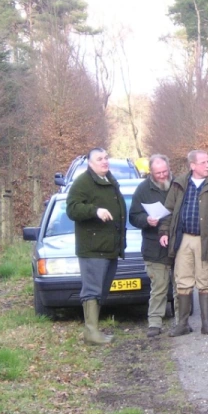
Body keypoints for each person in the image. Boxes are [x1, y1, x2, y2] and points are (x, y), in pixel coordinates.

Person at [159, 150, 208, 337]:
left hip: (207, 238)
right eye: (203, 162)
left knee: (204, 281)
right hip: (184, 238)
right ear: (192, 165)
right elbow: (168, 210)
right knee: (183, 281)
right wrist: (164, 231)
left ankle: (206, 324)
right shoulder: (179, 184)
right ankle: (183, 324)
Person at [66, 148, 127, 345]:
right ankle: (91, 333)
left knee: (101, 290)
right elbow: (72, 208)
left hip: (110, 247)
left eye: (106, 158)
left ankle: (94, 331)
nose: (104, 161)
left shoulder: (109, 179)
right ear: (90, 163)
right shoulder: (83, 182)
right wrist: (95, 211)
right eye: (99, 159)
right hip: (93, 248)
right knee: (92, 289)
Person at [129, 154, 174, 338]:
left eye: (165, 171)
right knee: (159, 286)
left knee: (181, 285)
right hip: (153, 246)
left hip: (176, 243)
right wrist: (147, 220)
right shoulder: (142, 190)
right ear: (151, 172)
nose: (163, 175)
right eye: (158, 173)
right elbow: (133, 216)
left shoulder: (177, 185)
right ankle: (155, 322)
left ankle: (181, 320)